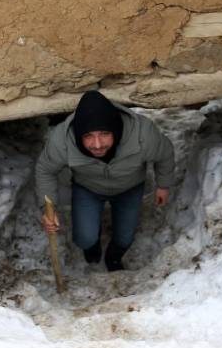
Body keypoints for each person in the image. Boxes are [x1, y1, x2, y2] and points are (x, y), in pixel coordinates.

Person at [35, 90, 175, 271]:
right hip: (88, 187)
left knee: (125, 238)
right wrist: (49, 207)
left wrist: (163, 185)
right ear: (78, 135)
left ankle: (114, 258)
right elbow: (45, 169)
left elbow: (164, 154)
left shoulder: (142, 134)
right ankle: (92, 246)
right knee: (84, 238)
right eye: (88, 136)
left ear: (116, 130)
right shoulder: (62, 140)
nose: (97, 144)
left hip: (129, 187)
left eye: (104, 134)